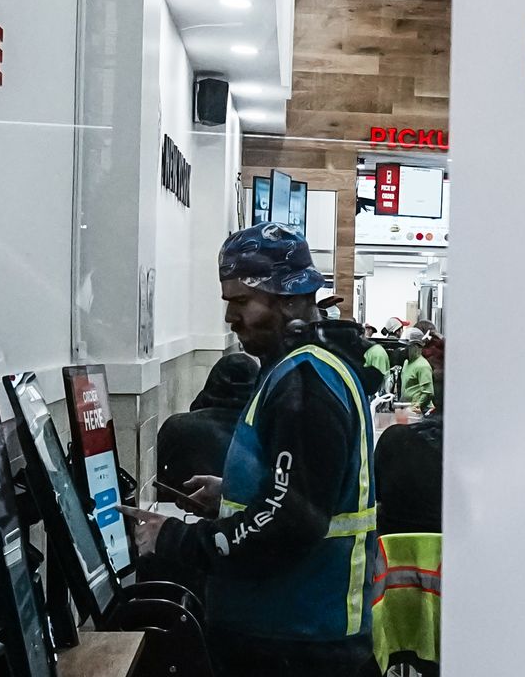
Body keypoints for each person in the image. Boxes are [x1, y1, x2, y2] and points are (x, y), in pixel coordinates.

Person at [121, 224, 378, 677]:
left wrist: (175, 539)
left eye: (242, 302)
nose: (229, 318)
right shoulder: (300, 371)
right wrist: (232, 493)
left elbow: (292, 521)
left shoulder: (306, 384)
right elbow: (302, 491)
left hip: (296, 640)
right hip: (289, 633)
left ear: (291, 299)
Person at [156, 352, 261, 498]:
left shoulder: (178, 426)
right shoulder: (266, 429)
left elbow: (152, 477)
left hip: (183, 510)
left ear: (212, 382)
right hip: (244, 514)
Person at [373, 368, 442, 538]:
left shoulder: (395, 440)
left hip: (391, 556)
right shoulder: (469, 455)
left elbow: (375, 493)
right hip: (447, 557)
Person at [399, 327, 435, 412]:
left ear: (415, 346)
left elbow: (428, 392)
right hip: (408, 408)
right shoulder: (406, 363)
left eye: (407, 346)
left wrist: (417, 405)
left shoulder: (423, 366)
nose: (404, 349)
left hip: (422, 410)